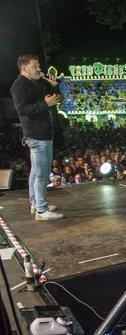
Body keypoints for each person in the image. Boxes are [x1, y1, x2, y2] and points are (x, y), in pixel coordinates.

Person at [10, 54, 63, 220]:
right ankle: (41, 211)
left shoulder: (33, 83)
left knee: (37, 172)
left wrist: (54, 86)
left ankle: (36, 203)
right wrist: (44, 104)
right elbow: (22, 110)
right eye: (35, 66)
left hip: (43, 133)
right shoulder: (19, 85)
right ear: (24, 68)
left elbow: (54, 100)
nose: (39, 69)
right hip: (37, 134)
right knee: (41, 173)